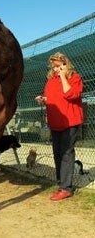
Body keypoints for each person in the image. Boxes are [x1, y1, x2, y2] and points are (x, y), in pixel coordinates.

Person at [35, 52, 84, 201]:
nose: (55, 69)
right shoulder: (51, 81)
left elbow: (71, 94)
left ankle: (66, 188)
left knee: (66, 154)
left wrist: (63, 76)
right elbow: (54, 98)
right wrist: (45, 99)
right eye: (53, 66)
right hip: (55, 122)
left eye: (57, 66)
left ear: (65, 64)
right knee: (57, 154)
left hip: (70, 121)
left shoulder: (75, 77)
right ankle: (61, 184)